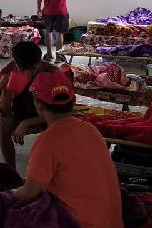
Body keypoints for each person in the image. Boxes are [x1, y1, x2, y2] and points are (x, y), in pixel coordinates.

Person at [11, 71, 123, 228]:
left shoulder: (47, 140)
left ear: (38, 105)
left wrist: (11, 193)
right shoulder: (90, 129)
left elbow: (30, 192)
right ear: (73, 101)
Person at [0, 41, 58, 169]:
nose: (27, 74)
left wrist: (27, 123)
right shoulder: (8, 72)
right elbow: (3, 112)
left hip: (47, 113)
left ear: (40, 62)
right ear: (15, 63)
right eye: (22, 69)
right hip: (20, 111)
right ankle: (11, 172)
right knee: (2, 124)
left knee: (60, 127)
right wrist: (5, 92)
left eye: (33, 69)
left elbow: (60, 112)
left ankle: (53, 170)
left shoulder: (52, 73)